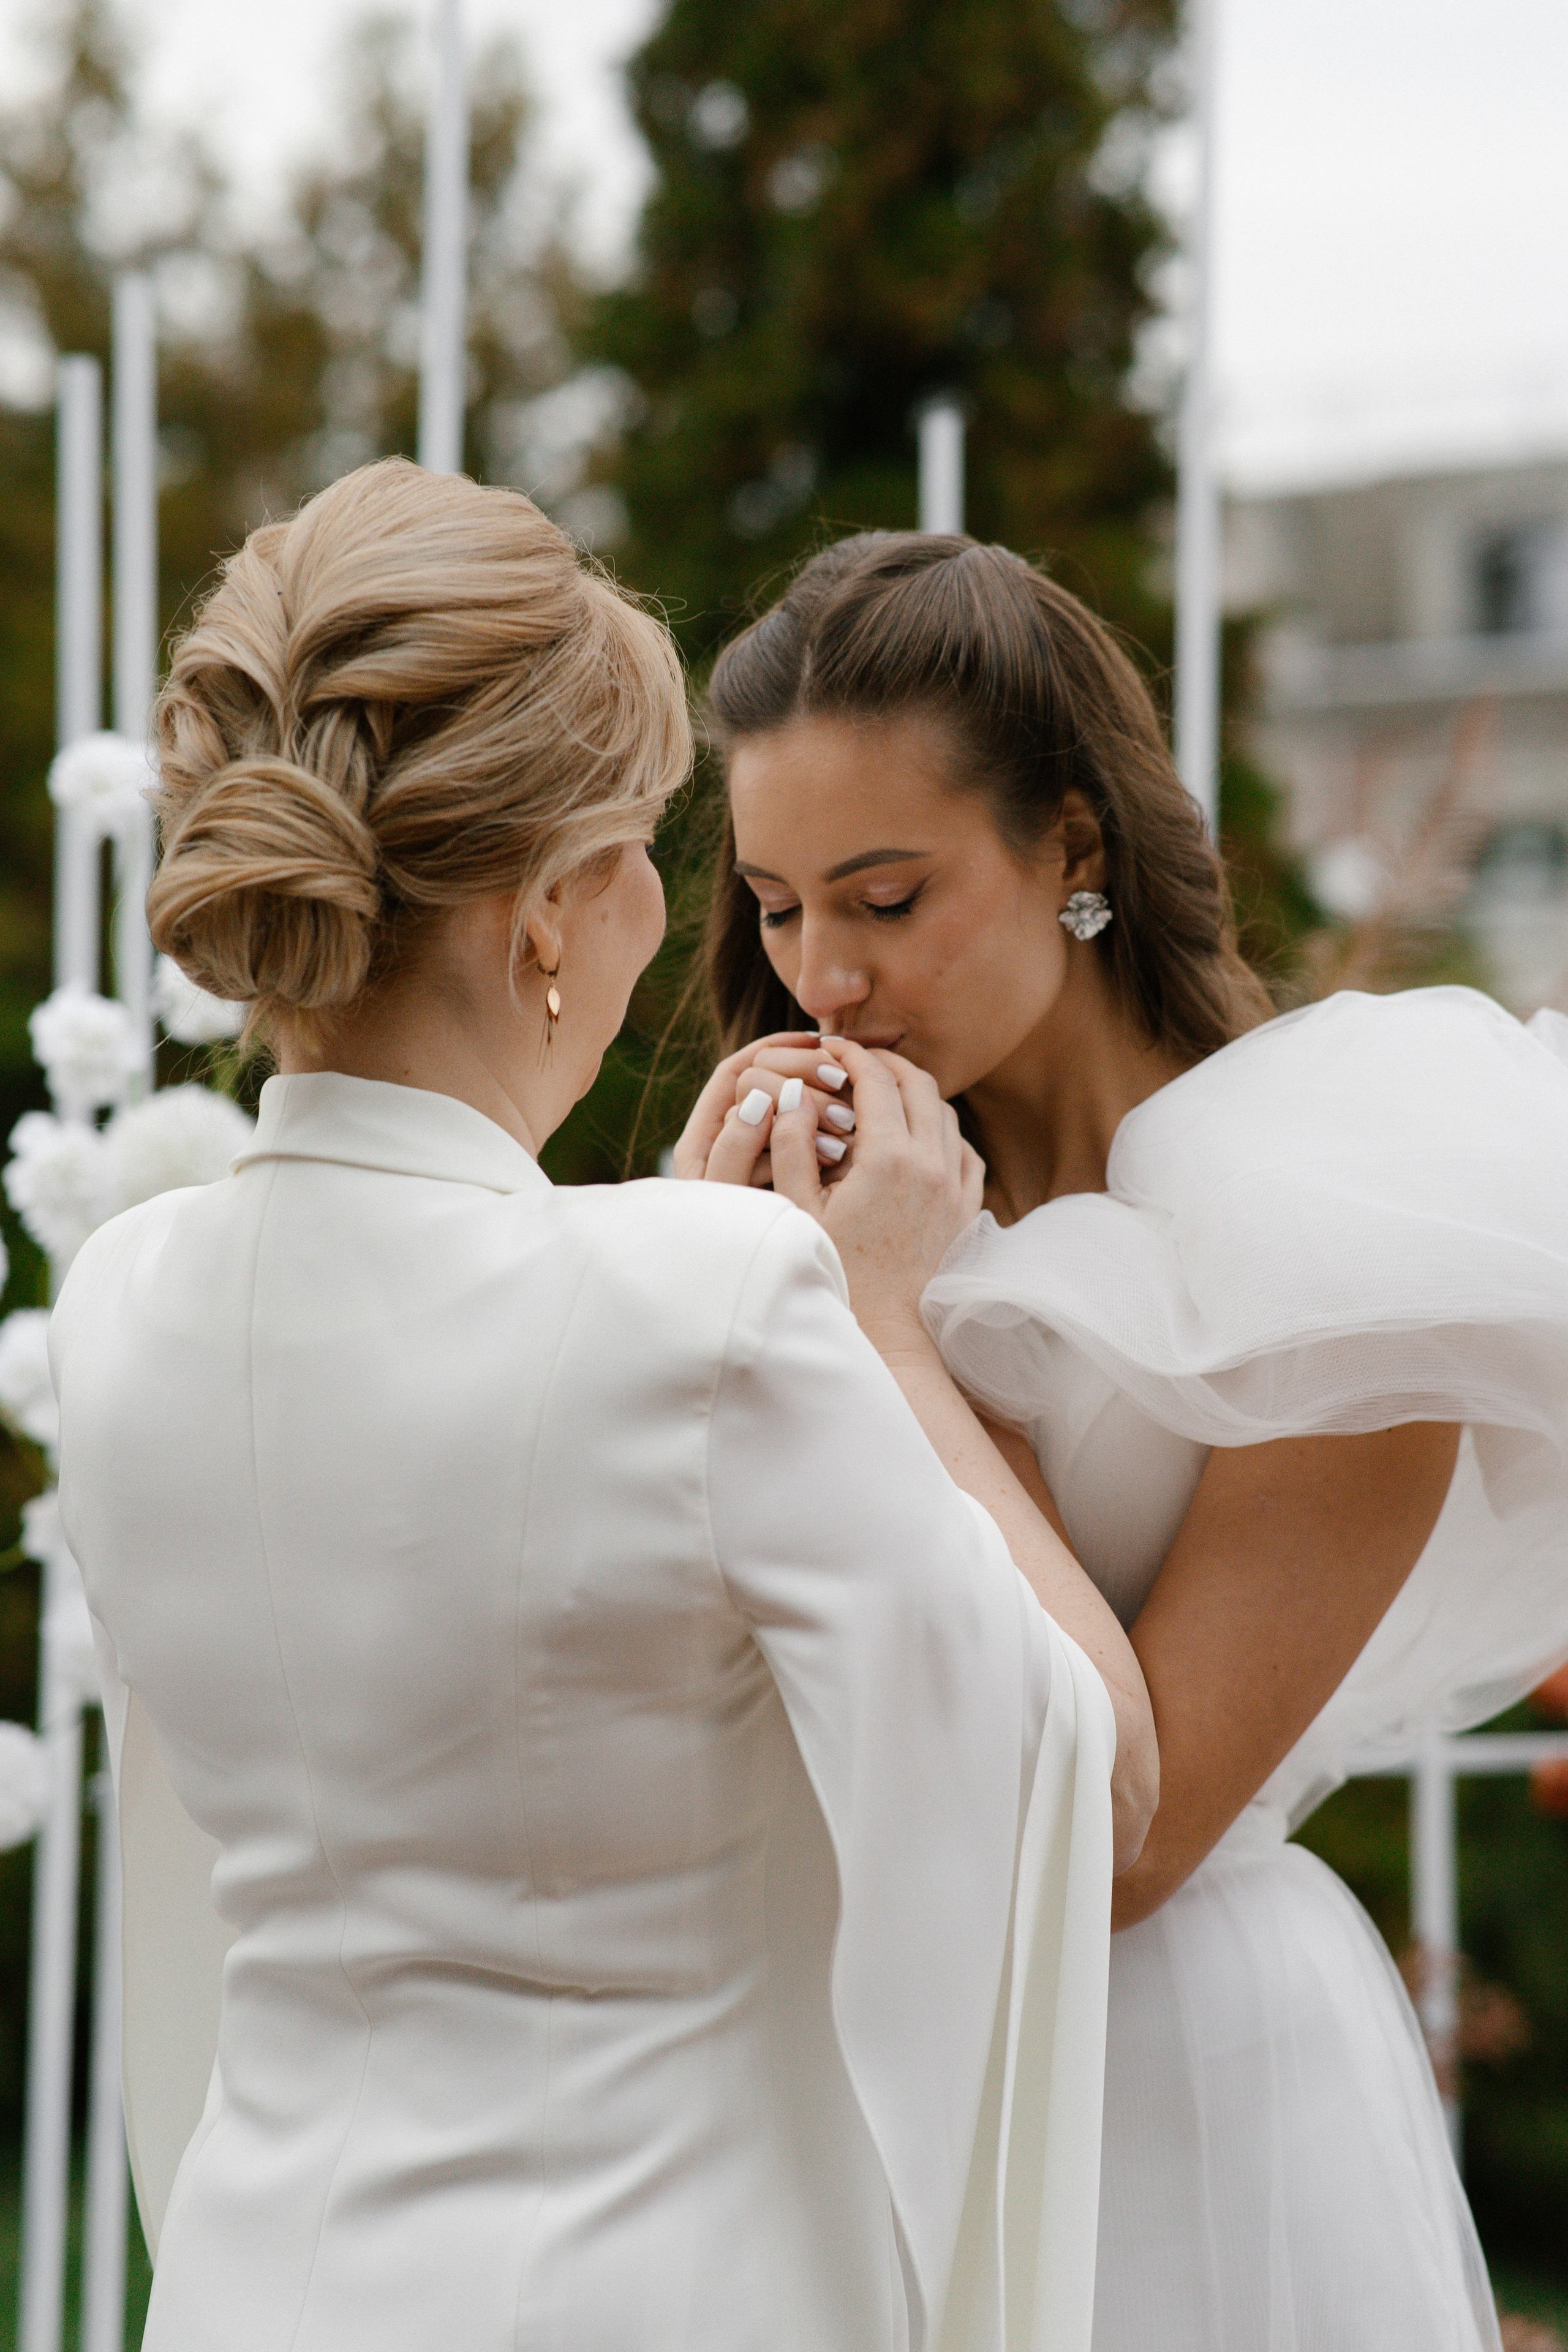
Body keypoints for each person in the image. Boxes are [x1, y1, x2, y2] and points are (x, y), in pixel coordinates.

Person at [50, 466, 1157, 2352]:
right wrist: (879, 1326)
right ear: (553, 907)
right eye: (648, 845)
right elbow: (1093, 1772)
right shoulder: (717, 1303)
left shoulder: (117, 1301)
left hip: (254, 2285)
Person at [676, 527, 1568, 2352]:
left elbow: (1123, 1847)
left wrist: (893, 1327)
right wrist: (701, 1282)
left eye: (886, 899)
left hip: (1179, 2084)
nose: (823, 977)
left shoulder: (1353, 1217)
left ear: (1072, 848)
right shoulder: (802, 1209)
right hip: (837, 2083)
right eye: (775, 906)